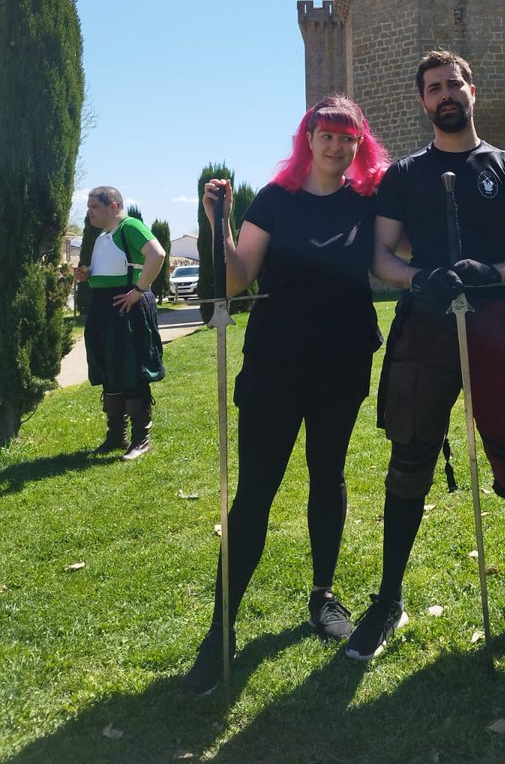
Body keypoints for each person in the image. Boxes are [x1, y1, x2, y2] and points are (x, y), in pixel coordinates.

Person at [344, 49, 505, 661]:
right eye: (433, 88)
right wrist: (417, 279)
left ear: (472, 91)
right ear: (423, 101)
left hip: (497, 321)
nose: (445, 94)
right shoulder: (403, 175)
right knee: (409, 458)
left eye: (453, 83)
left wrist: (494, 270)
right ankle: (387, 600)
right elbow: (381, 256)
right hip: (425, 326)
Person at [183, 96, 389, 695]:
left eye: (347, 137)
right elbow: (236, 277)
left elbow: (394, 253)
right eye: (325, 135)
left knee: (329, 475)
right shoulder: (275, 199)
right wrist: (217, 223)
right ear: (308, 139)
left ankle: (323, 595)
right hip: (276, 365)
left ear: (358, 144)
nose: (336, 146)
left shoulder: (366, 204)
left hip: (343, 362)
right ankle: (221, 628)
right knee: (254, 495)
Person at [75, 188, 166, 460]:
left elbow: (157, 255)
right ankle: (116, 435)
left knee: (131, 368)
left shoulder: (131, 226)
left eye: (94, 206)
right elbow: (115, 267)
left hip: (128, 307)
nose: (88, 211)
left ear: (113, 206)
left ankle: (141, 439)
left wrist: (138, 290)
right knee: (109, 368)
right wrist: (89, 274)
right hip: (105, 308)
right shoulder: (103, 236)